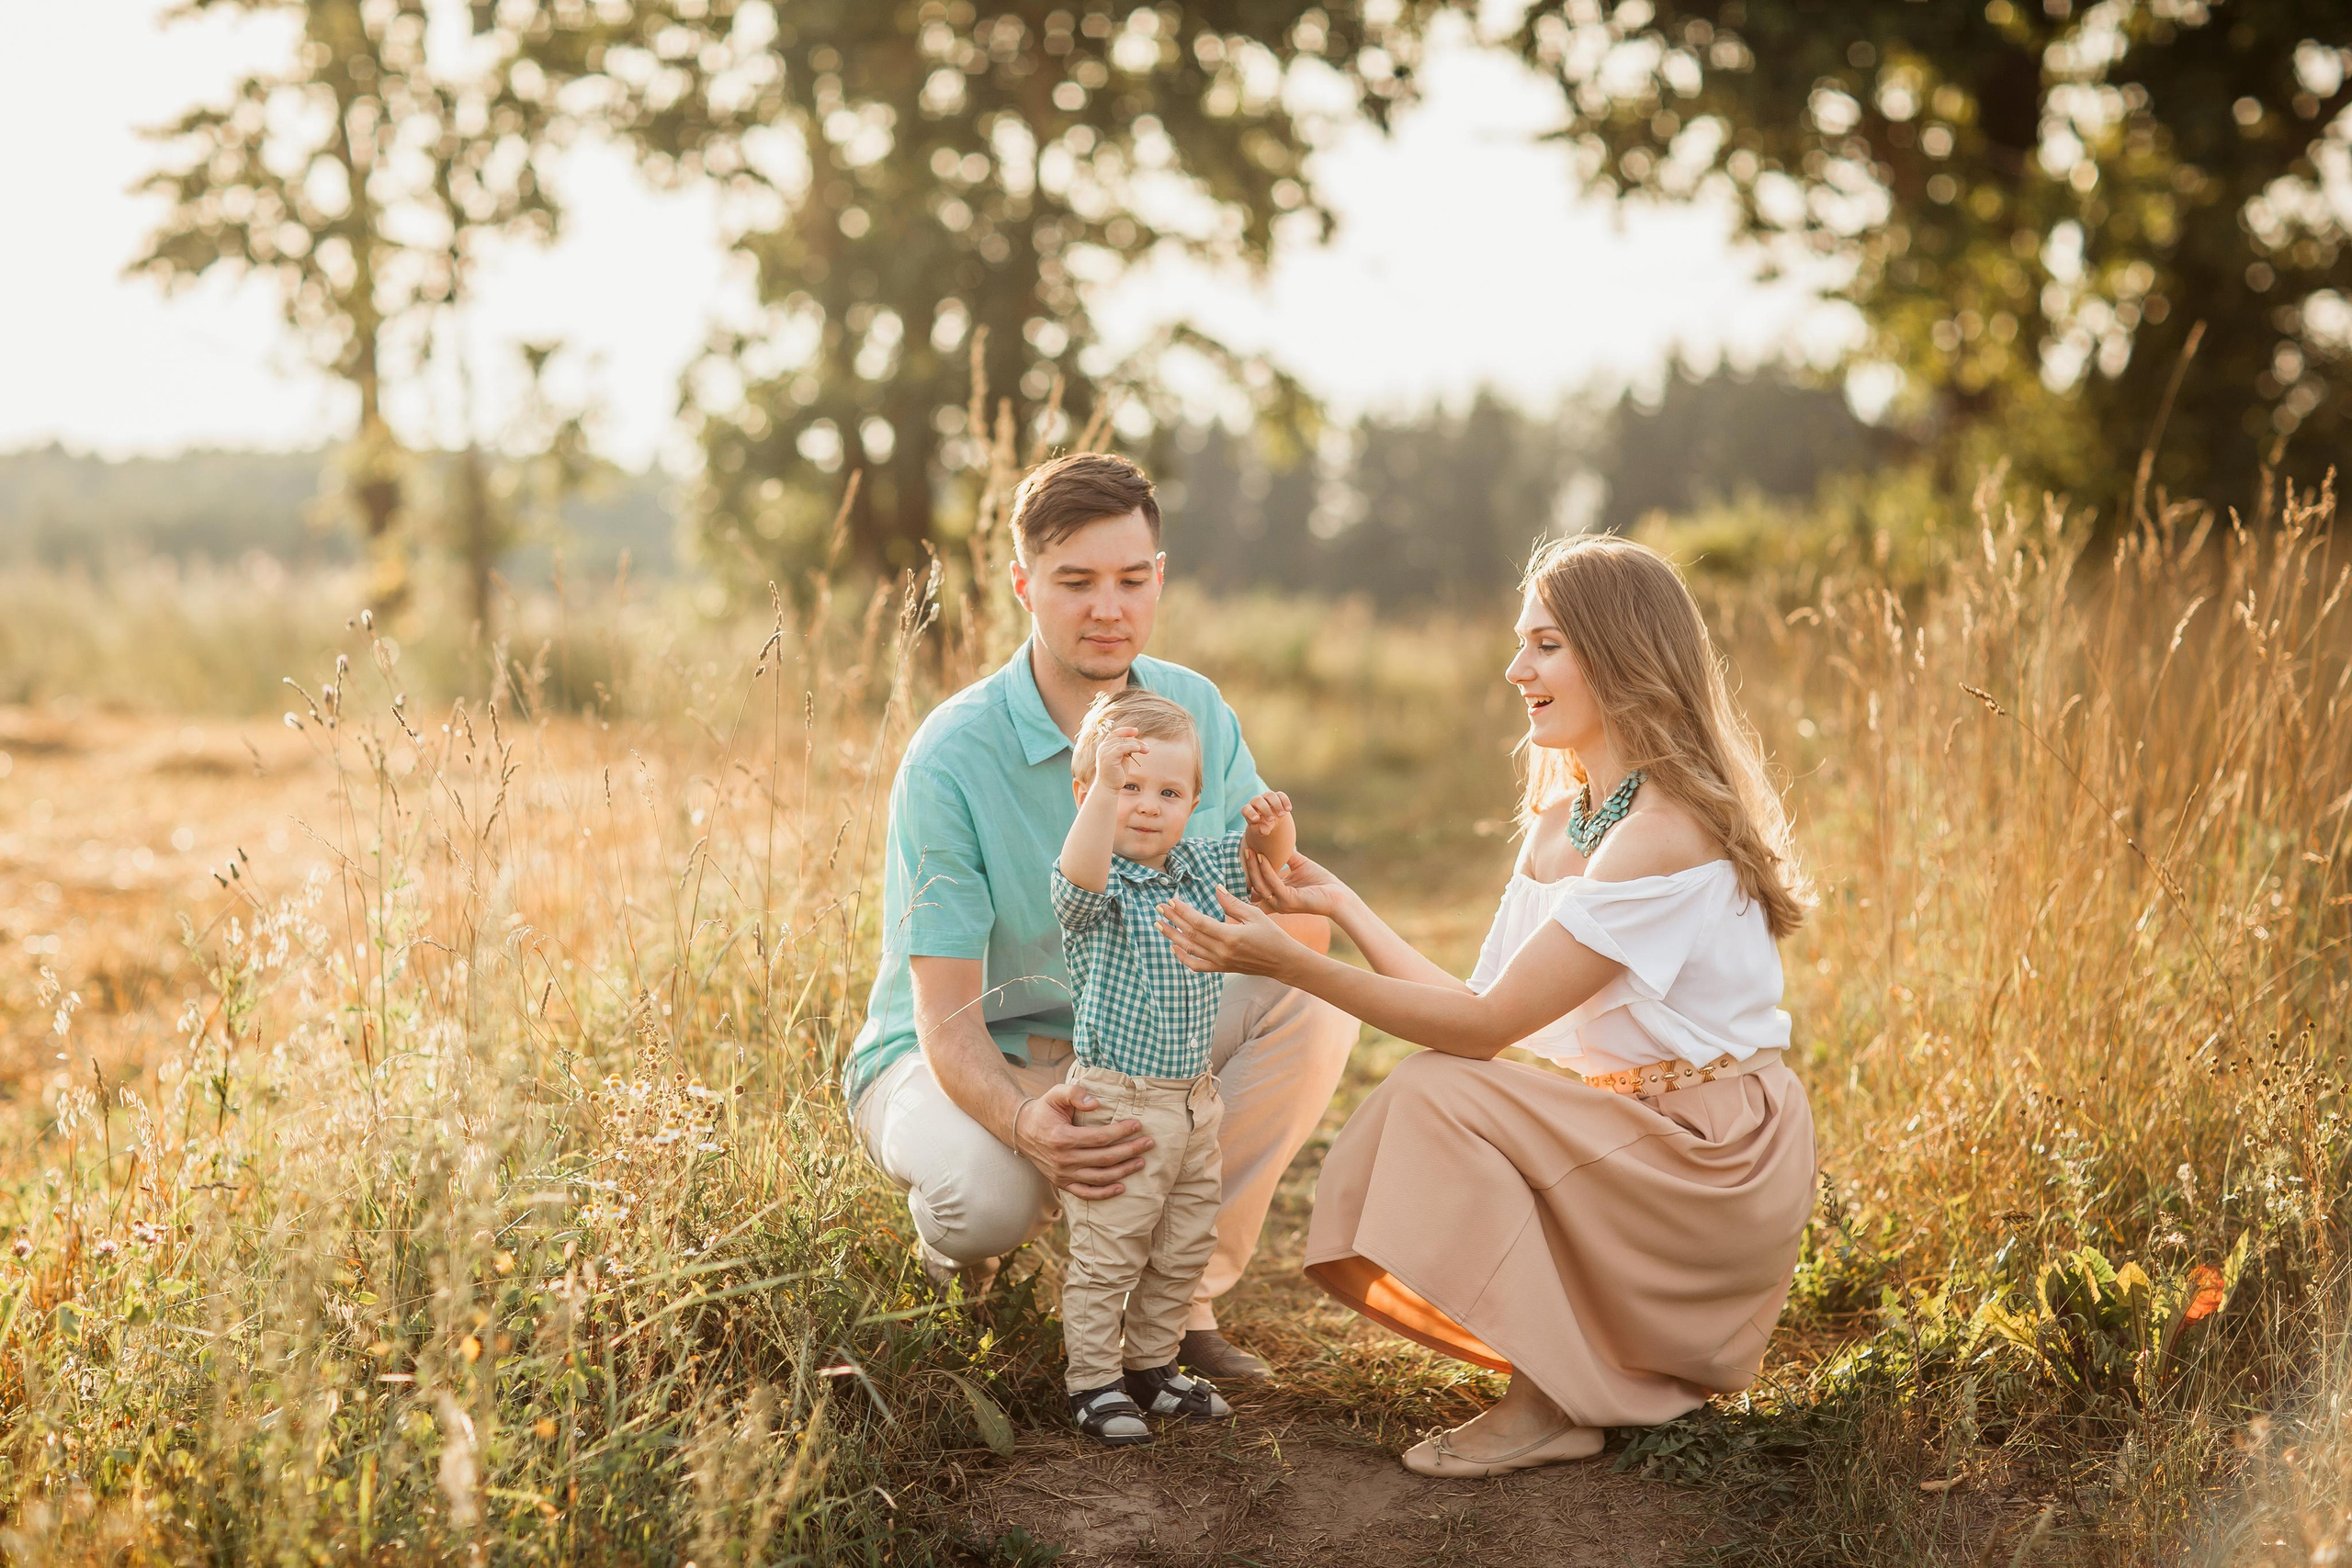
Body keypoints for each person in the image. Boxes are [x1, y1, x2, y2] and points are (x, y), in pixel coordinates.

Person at [1156, 534, 1816, 1476]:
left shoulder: (1663, 832)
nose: (1516, 670)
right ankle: (1563, 1377)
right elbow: (1478, 1002)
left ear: (1621, 655)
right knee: (1443, 1086)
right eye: (1520, 643)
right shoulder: (1564, 823)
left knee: (1437, 1092)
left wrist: (1290, 966)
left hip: (1715, 1162)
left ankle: (1552, 1399)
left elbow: (1483, 1033)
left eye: (1545, 645)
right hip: (1639, 1132)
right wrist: (1339, 909)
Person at [844, 451, 1358, 1382]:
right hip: (964, 1048)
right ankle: (964, 1263)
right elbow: (944, 1009)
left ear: (1157, 579)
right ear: (1023, 587)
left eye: (1130, 579)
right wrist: (1022, 1118)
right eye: (1074, 582)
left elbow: (1271, 912)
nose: (1107, 608)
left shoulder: (1192, 708)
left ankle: (1180, 1299)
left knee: (1313, 1004)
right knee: (988, 1200)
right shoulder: (952, 757)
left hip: (1128, 1041)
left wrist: (1278, 888)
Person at [1048, 689, 1301, 1442]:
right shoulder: (1095, 884)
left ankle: (1150, 1366)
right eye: (1127, 786)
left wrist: (1273, 824)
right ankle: (1092, 1380)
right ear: (1088, 791)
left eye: (1168, 791)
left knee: (1185, 1241)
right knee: (1109, 1249)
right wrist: (1102, 788)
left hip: (1194, 1101)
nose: (1148, 805)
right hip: (1117, 1099)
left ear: (1194, 801)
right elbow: (1080, 868)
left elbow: (1268, 865)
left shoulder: (1194, 867)